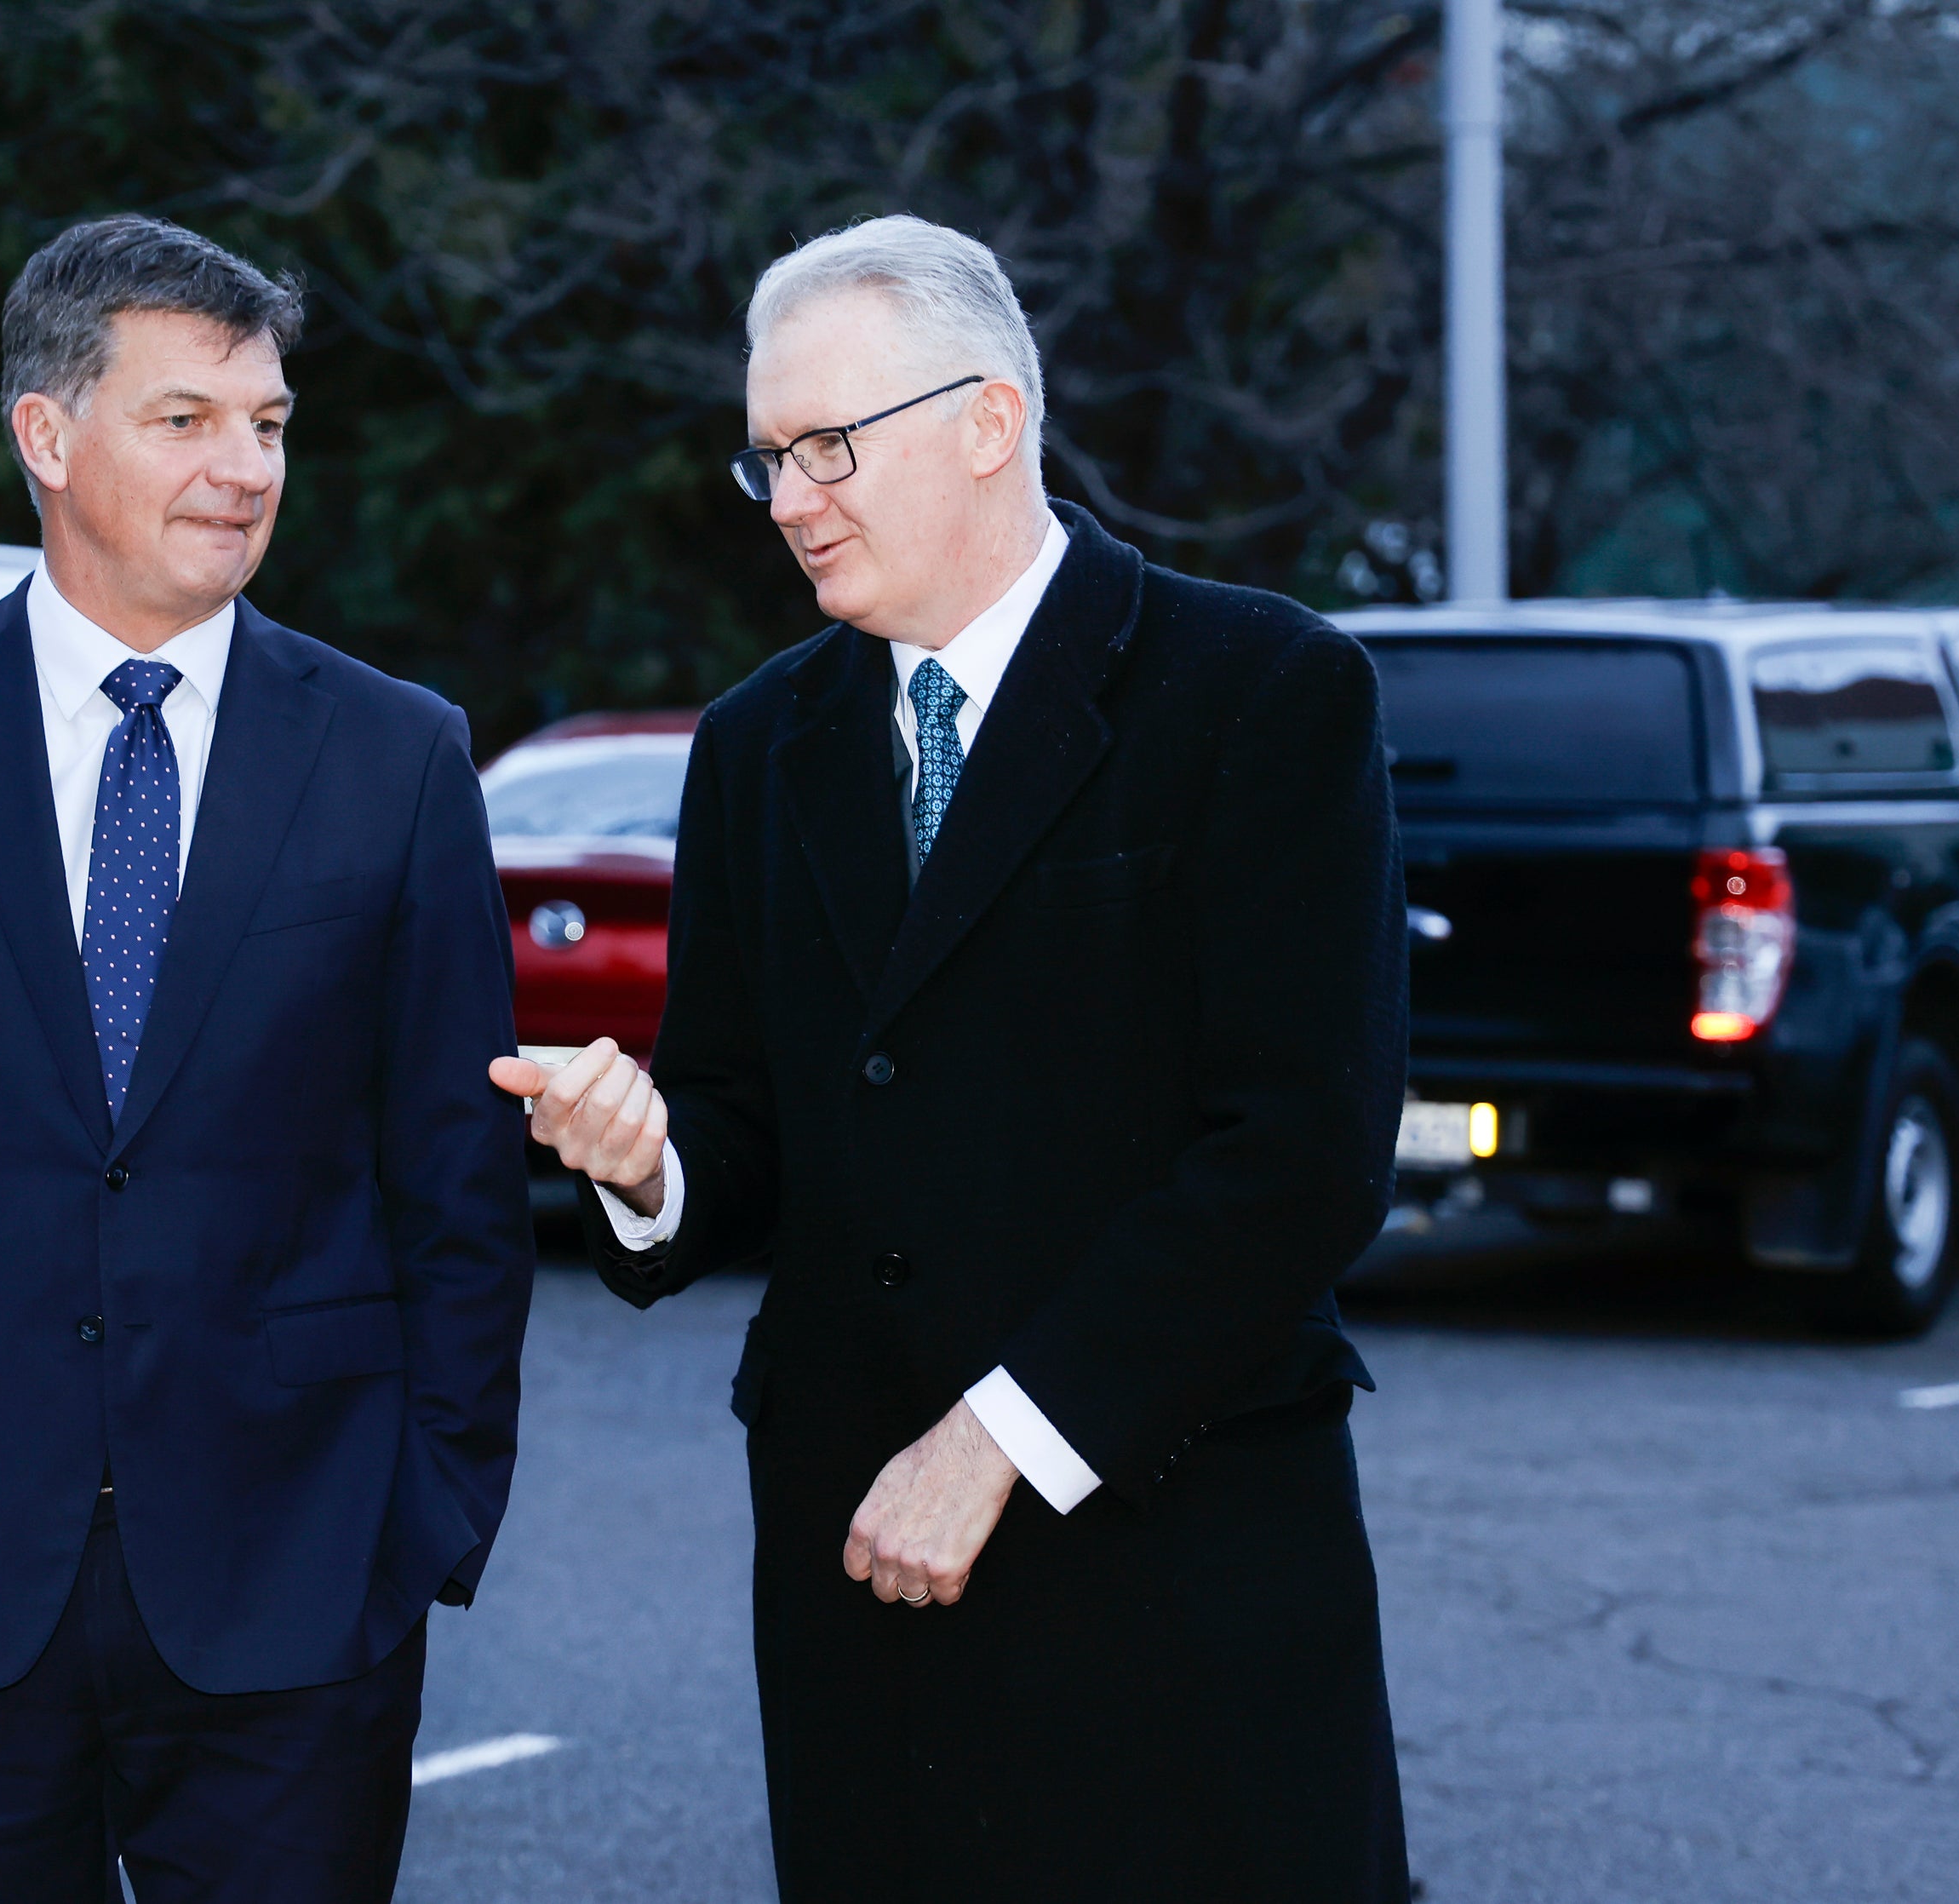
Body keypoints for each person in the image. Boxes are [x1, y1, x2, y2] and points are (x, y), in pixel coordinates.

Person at [494, 215, 1412, 1901]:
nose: (789, 498)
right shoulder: (759, 743)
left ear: (991, 420)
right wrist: (650, 1162)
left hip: (1177, 1557)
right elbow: (740, 1117)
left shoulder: (1264, 690)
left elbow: (1303, 1147)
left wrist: (1002, 1430)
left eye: (830, 444)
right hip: (861, 1589)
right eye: (767, 455)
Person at [0, 214, 535, 1902]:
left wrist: (420, 1526)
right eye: (188, 420)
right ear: (48, 436)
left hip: (302, 1586)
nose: (246, 467)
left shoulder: (396, 755)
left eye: (270, 422)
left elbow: (462, 1188)